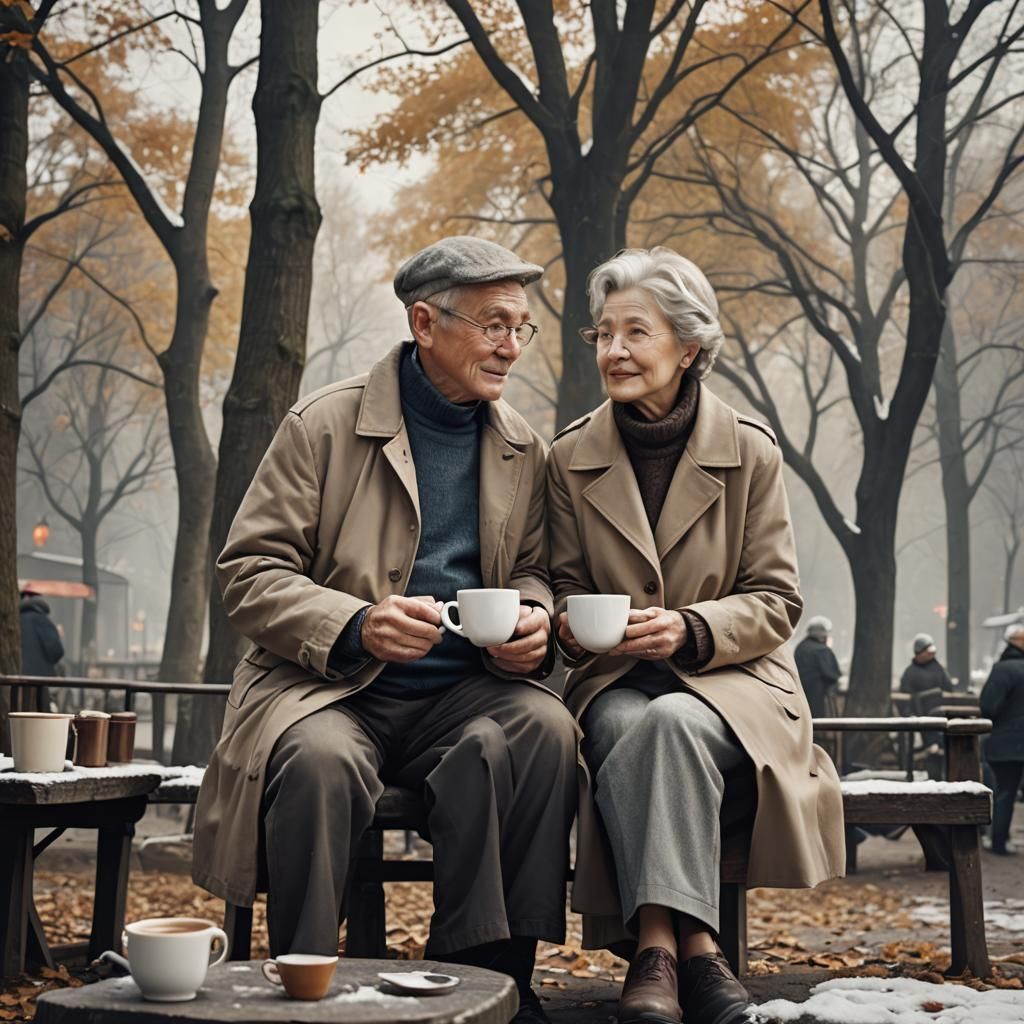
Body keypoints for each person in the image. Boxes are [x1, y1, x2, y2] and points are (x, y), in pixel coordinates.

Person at [193, 236, 578, 1024]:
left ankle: (492, 981)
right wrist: (355, 622)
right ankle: (304, 984)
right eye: (493, 325)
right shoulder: (323, 425)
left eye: (521, 328)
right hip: (329, 690)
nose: (511, 347)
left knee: (543, 729)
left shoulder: (522, 448)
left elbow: (534, 568)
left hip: (464, 695)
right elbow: (248, 573)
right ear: (425, 323)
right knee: (318, 762)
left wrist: (532, 617)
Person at [547, 247, 845, 1024]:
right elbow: (564, 583)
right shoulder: (569, 456)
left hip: (734, 686)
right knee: (627, 722)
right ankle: (702, 956)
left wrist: (689, 627)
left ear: (687, 346)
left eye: (635, 332)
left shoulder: (750, 448)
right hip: (614, 680)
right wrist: (574, 628)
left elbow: (776, 599)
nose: (613, 350)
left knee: (672, 721)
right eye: (604, 334)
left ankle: (658, 948)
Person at [979, 623, 1024, 856]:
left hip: (1006, 742)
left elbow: (987, 706)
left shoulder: (1003, 670)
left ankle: (998, 842)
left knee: (1005, 792)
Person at [900, 633, 951, 752]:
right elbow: (905, 697)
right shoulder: (910, 672)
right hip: (922, 715)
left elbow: (948, 689)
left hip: (941, 714)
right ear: (919, 652)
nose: (931, 655)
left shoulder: (939, 669)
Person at [20, 587, 64, 711]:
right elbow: (56, 651)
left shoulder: (14, 621)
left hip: (16, 679)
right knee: (40, 714)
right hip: (39, 681)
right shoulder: (42, 620)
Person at [794, 616, 841, 718]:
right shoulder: (822, 650)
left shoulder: (800, 647)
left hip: (800, 695)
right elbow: (832, 675)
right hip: (817, 695)